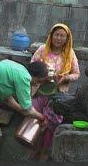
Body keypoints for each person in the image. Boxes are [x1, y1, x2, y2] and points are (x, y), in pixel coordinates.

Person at [30, 23, 80, 160]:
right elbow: (32, 66)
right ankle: (34, 148)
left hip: (57, 96)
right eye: (56, 34)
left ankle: (44, 152)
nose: (59, 38)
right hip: (39, 93)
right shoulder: (42, 50)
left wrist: (66, 77)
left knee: (50, 126)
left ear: (67, 38)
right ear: (51, 36)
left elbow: (77, 73)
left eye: (62, 35)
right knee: (35, 121)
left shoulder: (70, 54)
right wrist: (40, 77)